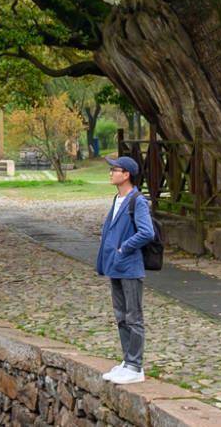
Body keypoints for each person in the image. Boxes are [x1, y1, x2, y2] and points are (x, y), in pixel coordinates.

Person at [95, 154, 156, 384]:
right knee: (121, 316)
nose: (111, 173)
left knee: (134, 316)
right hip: (116, 266)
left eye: (115, 170)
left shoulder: (136, 200)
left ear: (127, 174)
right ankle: (127, 360)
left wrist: (124, 248)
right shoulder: (117, 199)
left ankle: (135, 366)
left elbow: (147, 232)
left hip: (130, 266)